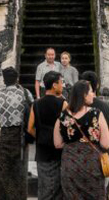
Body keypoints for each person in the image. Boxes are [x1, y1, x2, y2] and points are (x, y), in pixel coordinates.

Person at [54, 80, 109, 200]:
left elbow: (57, 144)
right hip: (92, 166)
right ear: (84, 95)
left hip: (70, 166)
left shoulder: (63, 116)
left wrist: (72, 142)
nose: (93, 94)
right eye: (91, 91)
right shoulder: (96, 114)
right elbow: (105, 144)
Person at [0, 67, 33, 200]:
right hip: (20, 134)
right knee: (19, 170)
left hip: (5, 135)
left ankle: (4, 197)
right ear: (17, 79)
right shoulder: (25, 93)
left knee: (4, 170)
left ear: (4, 80)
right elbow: (32, 112)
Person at [28, 71, 66, 200]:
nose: (63, 85)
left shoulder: (36, 104)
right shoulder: (63, 104)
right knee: (58, 187)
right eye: (61, 82)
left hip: (42, 150)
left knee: (44, 186)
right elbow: (67, 127)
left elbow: (30, 128)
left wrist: (40, 136)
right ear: (54, 85)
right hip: (58, 150)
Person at [80, 71, 109, 174]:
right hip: (101, 154)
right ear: (97, 85)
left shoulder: (74, 106)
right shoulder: (105, 106)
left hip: (79, 154)